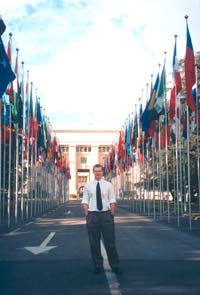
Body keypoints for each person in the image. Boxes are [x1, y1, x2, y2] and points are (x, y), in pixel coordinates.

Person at [82, 164, 120, 274]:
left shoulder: (108, 185)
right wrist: (87, 215)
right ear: (93, 172)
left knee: (110, 241)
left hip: (106, 215)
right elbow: (85, 201)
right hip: (93, 215)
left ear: (102, 172)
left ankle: (115, 265)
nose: (98, 173)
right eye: (96, 171)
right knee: (94, 242)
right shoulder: (88, 186)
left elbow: (112, 200)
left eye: (99, 171)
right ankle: (97, 266)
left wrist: (111, 214)